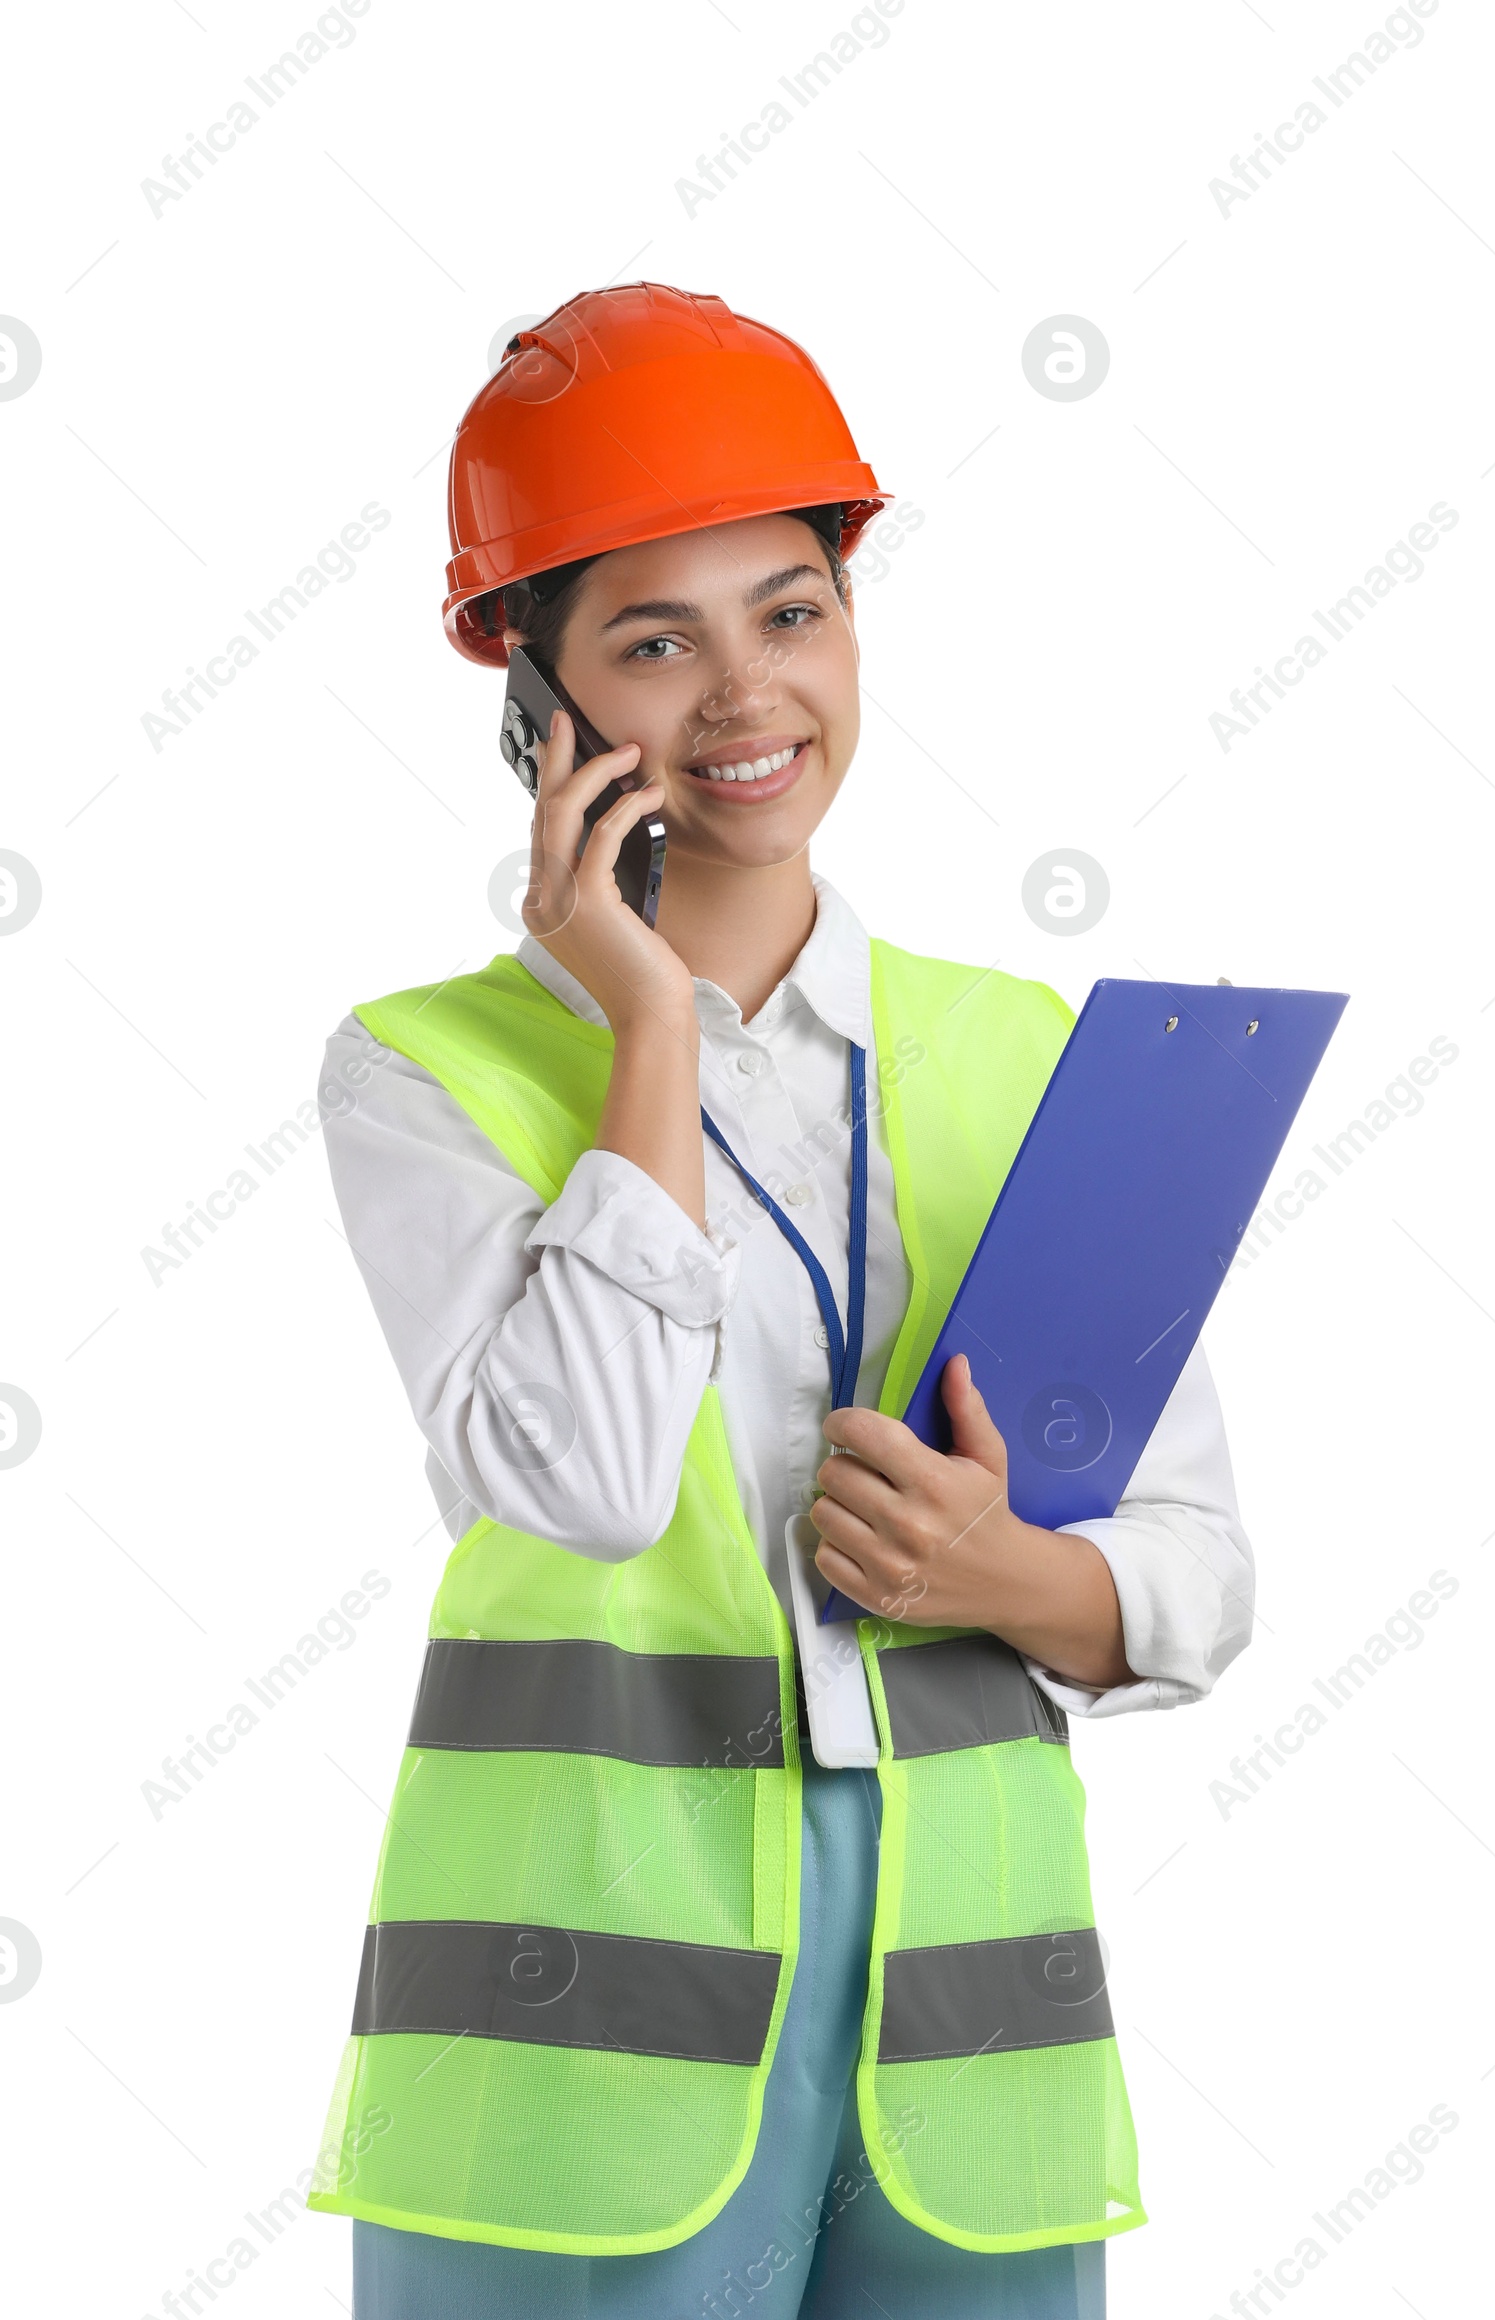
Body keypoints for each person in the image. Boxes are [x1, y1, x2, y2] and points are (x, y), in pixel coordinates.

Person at [307, 283, 1255, 2319]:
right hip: (578, 2036)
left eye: (789, 608)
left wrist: (1011, 1575)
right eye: (654, 639)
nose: (745, 691)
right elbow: (572, 1476)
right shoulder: (430, 1071)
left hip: (964, 2031)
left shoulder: (1028, 1056)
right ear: (535, 701)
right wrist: (644, 1021)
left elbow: (1191, 1567)